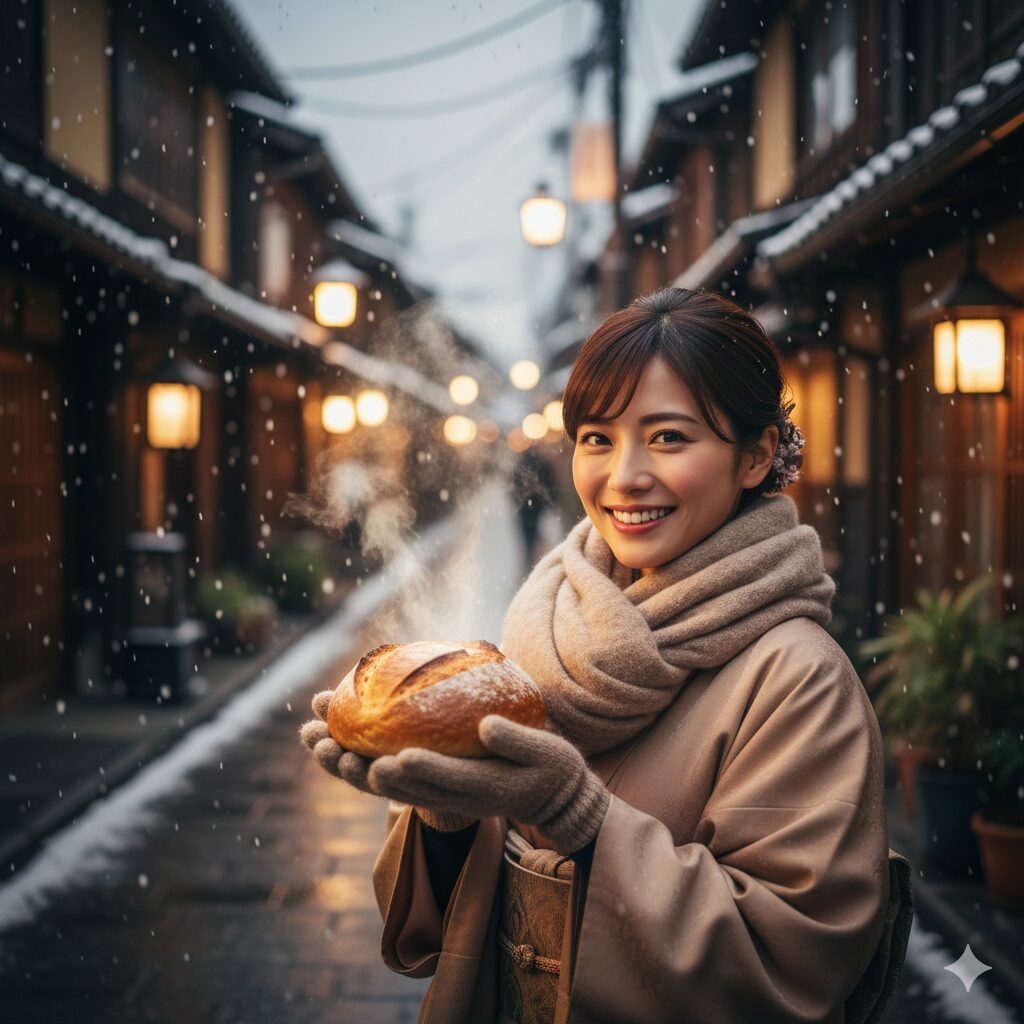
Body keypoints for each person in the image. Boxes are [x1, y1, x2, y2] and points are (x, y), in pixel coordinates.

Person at [300, 287, 912, 1024]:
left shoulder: (798, 679)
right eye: (597, 438)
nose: (623, 476)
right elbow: (444, 942)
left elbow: (789, 963)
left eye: (669, 438)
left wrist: (580, 817)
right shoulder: (550, 623)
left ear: (756, 457)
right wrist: (451, 815)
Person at [511, 446, 558, 577]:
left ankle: (529, 557)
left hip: (524, 507)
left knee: (527, 534)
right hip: (537, 506)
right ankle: (532, 559)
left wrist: (517, 501)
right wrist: (549, 503)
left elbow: (513, 487)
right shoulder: (542, 464)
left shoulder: (520, 465)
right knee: (535, 531)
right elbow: (550, 485)